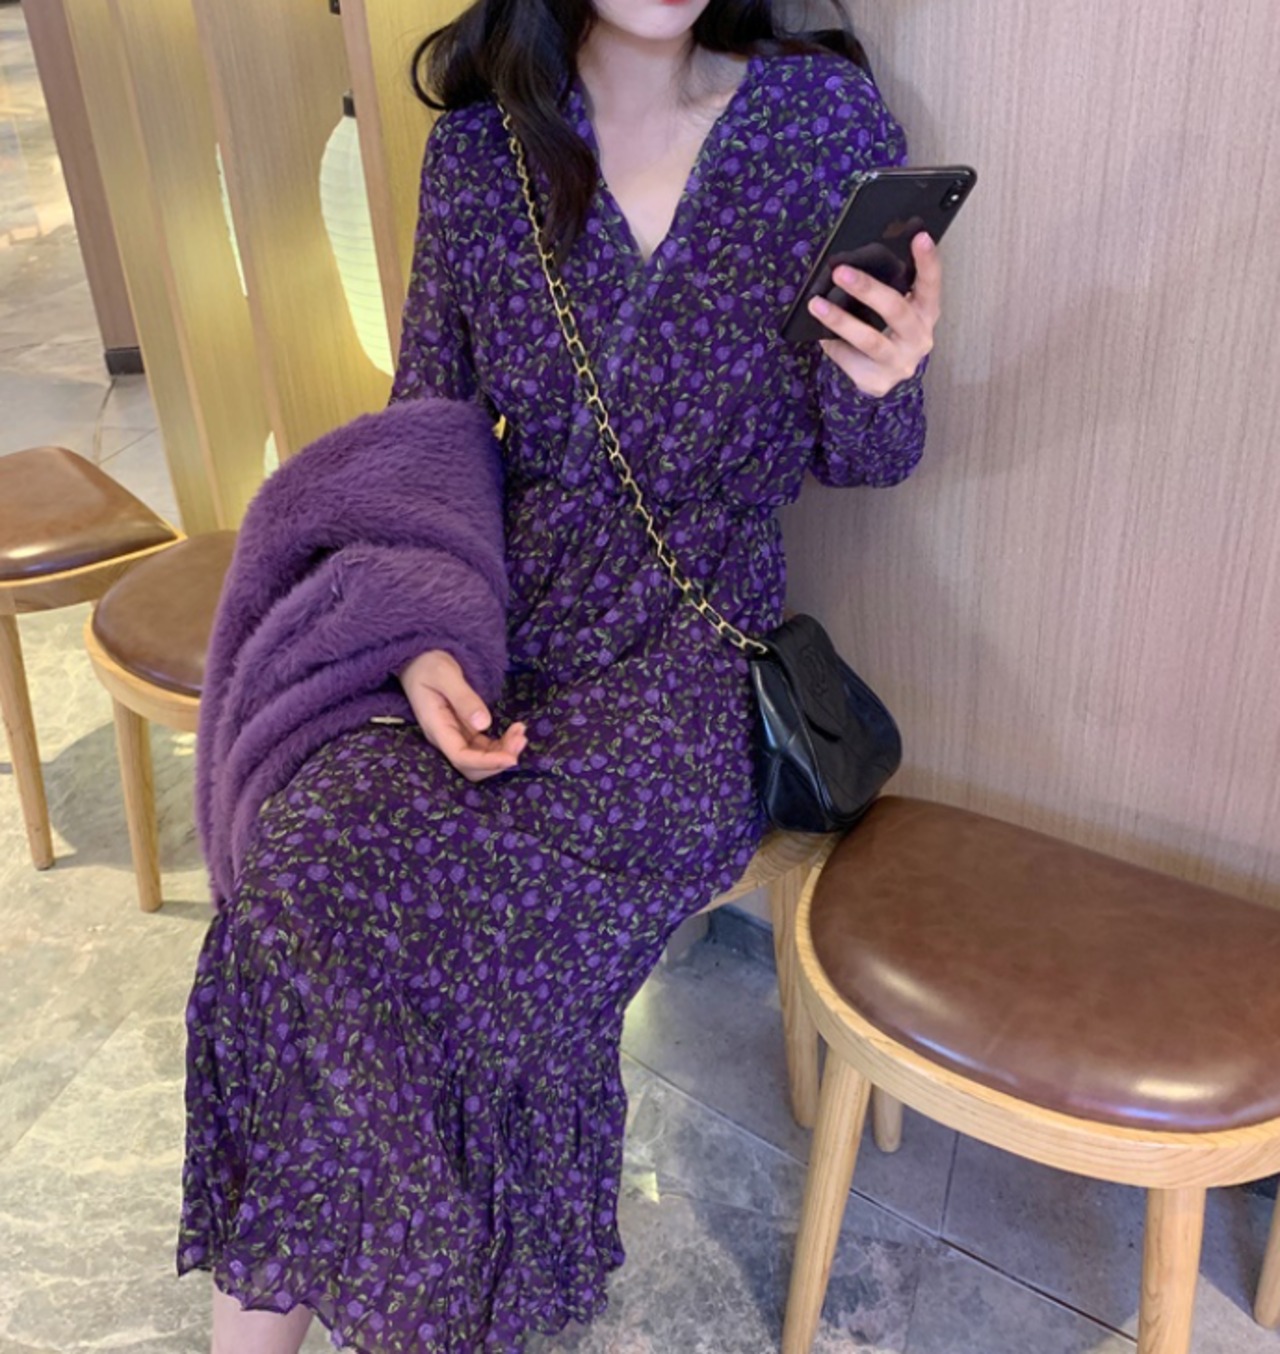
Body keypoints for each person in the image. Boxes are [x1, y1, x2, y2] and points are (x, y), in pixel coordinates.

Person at [180, 1, 942, 1351]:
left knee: (479, 946)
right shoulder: (482, 154)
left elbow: (867, 460)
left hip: (688, 657)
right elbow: (427, 432)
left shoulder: (819, 128)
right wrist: (423, 639)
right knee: (305, 870)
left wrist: (891, 378)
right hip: (497, 625)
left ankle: (439, 1313)